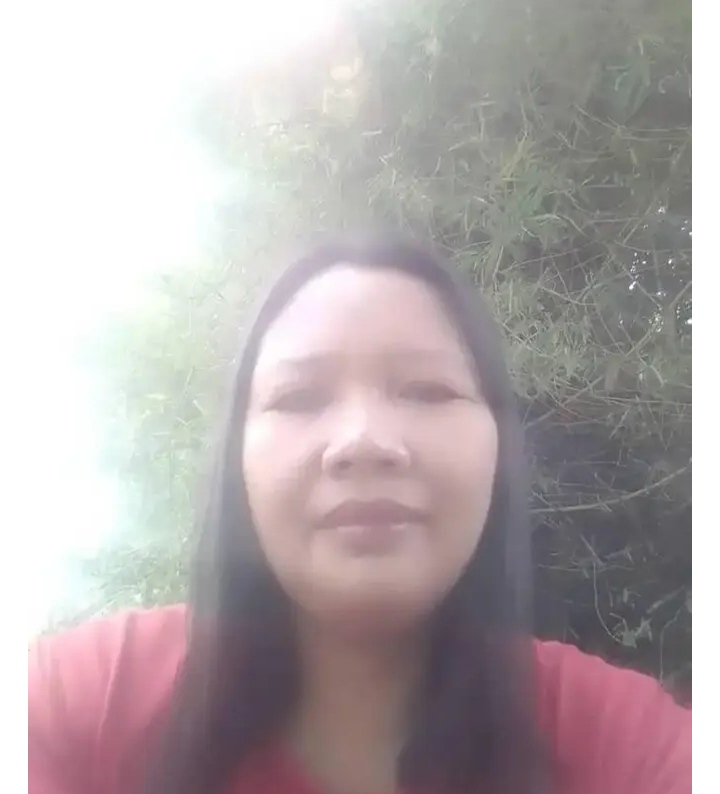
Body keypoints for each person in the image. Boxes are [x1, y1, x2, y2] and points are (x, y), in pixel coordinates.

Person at [28, 233, 691, 794]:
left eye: (427, 390)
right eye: (299, 397)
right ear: (237, 460)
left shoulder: (626, 747)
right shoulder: (79, 704)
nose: (364, 441)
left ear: (500, 450)